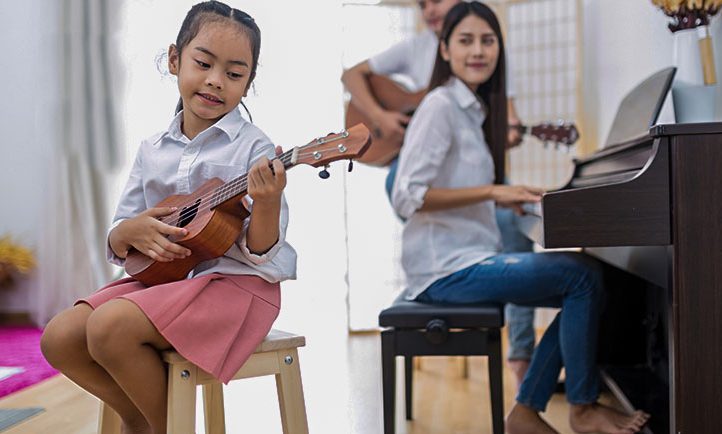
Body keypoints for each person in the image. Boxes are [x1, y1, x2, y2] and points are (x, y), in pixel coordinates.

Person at [390, 2, 650, 433]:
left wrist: (511, 200)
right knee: (582, 278)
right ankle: (576, 408)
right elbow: (407, 197)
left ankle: (528, 411)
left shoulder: (471, 112)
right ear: (445, 49)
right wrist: (494, 190)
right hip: (445, 270)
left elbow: (460, 189)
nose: (478, 51)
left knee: (589, 279)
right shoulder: (439, 107)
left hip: (467, 257)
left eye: (488, 41)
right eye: (466, 40)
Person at [39, 3, 296, 434]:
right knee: (59, 337)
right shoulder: (152, 148)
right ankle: (142, 419)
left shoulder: (254, 149)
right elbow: (122, 242)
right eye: (203, 63)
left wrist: (268, 203)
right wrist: (128, 230)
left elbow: (261, 252)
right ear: (175, 59)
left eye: (234, 74)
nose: (216, 80)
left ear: (247, 85)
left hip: (236, 289)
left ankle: (166, 428)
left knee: (109, 326)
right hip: (167, 281)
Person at [341, 0, 536, 389]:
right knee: (401, 183)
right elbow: (351, 76)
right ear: (448, 49)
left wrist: (506, 133)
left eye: (437, 0)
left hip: (470, 173)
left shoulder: (485, 55)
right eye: (422, 4)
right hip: (428, 181)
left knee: (516, 231)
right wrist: (382, 119)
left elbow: (506, 119)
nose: (429, 9)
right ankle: (446, 266)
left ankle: (521, 352)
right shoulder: (417, 51)